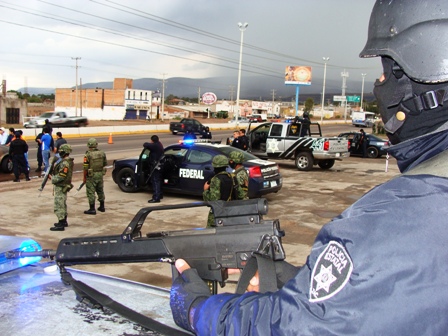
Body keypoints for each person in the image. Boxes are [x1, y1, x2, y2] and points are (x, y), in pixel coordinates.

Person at [170, 1, 448, 334]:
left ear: (416, 78)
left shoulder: (400, 215)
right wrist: (309, 285)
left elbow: (297, 328)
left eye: (386, 73)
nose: (380, 84)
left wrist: (197, 310)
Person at [203, 155, 236, 228]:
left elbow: (213, 199)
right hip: (231, 212)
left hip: (217, 214)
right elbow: (240, 195)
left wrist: (205, 191)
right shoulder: (232, 177)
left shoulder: (216, 179)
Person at [49, 144, 74, 231]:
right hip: (63, 185)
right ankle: (63, 221)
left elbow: (61, 176)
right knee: (62, 204)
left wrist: (52, 178)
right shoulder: (67, 161)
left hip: (61, 185)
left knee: (59, 204)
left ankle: (61, 223)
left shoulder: (64, 163)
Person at [83, 138, 107, 215]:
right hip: (99, 174)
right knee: (100, 190)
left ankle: (92, 208)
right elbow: (105, 163)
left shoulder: (87, 155)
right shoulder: (102, 153)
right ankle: (102, 206)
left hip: (91, 176)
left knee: (91, 192)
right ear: (96, 145)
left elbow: (85, 168)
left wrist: (84, 177)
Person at [143, 134, 164, 203]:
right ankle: (160, 194)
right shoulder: (159, 144)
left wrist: (150, 143)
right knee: (158, 180)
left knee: (155, 181)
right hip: (159, 165)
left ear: (152, 140)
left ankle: (156, 197)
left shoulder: (154, 145)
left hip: (155, 166)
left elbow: (145, 144)